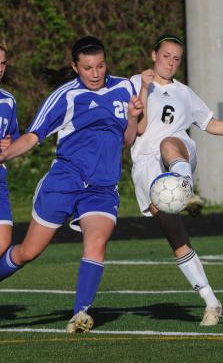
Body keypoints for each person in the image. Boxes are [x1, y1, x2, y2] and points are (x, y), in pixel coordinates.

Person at [130, 34, 223, 326]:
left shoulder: (184, 92)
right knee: (176, 238)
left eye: (176, 59)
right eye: (166, 56)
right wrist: (145, 89)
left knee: (169, 142)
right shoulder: (135, 83)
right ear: (153, 55)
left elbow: (210, 123)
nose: (171, 62)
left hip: (179, 155)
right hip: (146, 167)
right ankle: (211, 300)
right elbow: (139, 127)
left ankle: (186, 186)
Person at [0, 36, 143, 333]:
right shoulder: (65, 96)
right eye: (88, 67)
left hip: (102, 188)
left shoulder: (124, 88)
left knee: (96, 243)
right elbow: (32, 136)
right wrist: (7, 153)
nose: (95, 73)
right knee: (28, 251)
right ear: (75, 66)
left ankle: (80, 314)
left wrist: (133, 117)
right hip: (64, 182)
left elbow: (127, 139)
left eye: (100, 65)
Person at [0, 44, 20, 256]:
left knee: (3, 242)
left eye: (3, 63)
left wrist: (10, 145)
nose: (0, 68)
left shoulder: (8, 101)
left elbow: (13, 139)